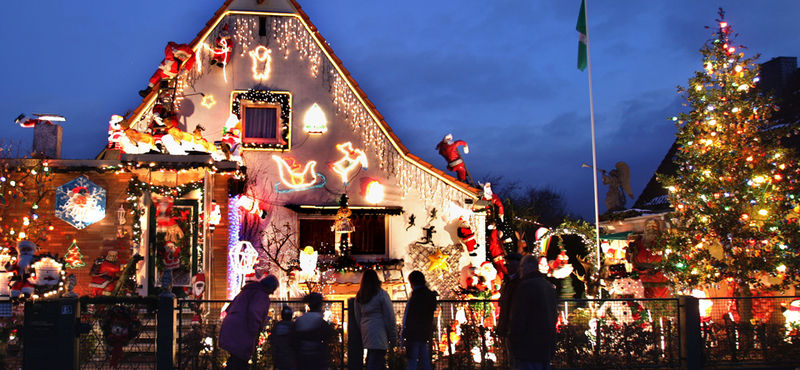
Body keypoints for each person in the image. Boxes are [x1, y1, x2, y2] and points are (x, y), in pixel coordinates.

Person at [219, 274, 280, 370]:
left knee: (235, 359)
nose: (272, 293)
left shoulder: (247, 291)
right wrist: (254, 332)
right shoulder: (261, 295)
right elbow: (255, 313)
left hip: (230, 326)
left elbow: (230, 307)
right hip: (242, 329)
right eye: (273, 289)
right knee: (241, 360)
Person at [508, 255, 557, 370]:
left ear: (528, 268)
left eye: (521, 266)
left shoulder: (526, 287)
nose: (520, 270)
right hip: (546, 347)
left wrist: (514, 341)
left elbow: (519, 317)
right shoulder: (547, 286)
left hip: (528, 347)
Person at [354, 269, 398, 370]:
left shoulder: (360, 296)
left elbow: (357, 316)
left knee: (372, 357)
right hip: (379, 331)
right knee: (377, 360)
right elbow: (389, 317)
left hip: (366, 330)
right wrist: (393, 338)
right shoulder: (382, 294)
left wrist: (362, 329)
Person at [402, 271, 438, 370]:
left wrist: (405, 333)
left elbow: (409, 317)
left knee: (412, 361)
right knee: (424, 360)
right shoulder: (429, 296)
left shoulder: (416, 298)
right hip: (424, 332)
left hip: (413, 333)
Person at [292, 293, 334, 370]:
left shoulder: (300, 320)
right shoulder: (320, 321)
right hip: (318, 359)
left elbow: (294, 340)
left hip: (302, 359)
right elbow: (329, 336)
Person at [496, 253, 523, 368]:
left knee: (517, 359)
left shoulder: (519, 283)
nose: (506, 266)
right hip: (509, 328)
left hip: (515, 330)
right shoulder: (510, 281)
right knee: (512, 359)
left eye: (509, 264)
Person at [270, 305, 296, 370]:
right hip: (291, 358)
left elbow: (272, 340)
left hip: (279, 356)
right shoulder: (294, 326)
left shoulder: (277, 326)